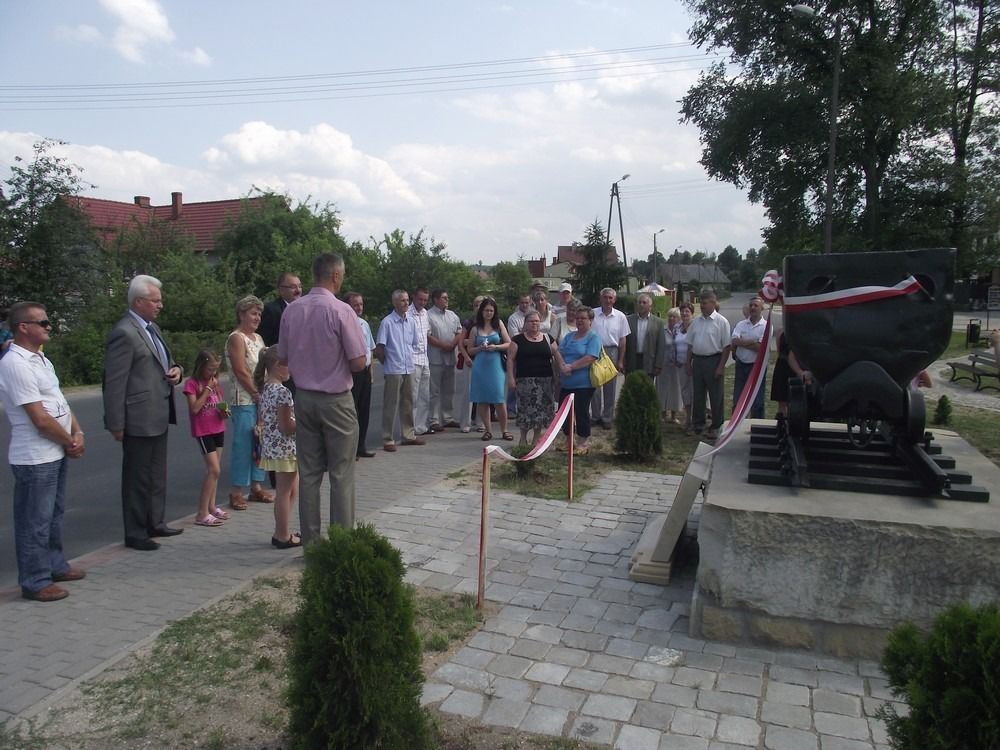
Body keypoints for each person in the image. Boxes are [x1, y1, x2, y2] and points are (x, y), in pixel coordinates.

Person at [277, 252, 367, 544]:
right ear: (336, 276)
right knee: (341, 473)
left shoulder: (292, 310)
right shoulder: (342, 311)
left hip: (303, 397)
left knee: (309, 473)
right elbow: (358, 362)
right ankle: (340, 543)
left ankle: (311, 544)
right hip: (336, 399)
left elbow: (283, 357)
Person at [0, 302, 86, 601]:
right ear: (23, 327)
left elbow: (59, 401)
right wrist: (68, 441)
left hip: (55, 451)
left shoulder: (41, 359)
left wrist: (77, 432)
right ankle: (35, 580)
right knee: (34, 521)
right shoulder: (15, 364)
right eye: (43, 322)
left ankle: (54, 565)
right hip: (35, 456)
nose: (49, 327)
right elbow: (39, 418)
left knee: (53, 515)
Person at [104, 274, 184, 552]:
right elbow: (114, 382)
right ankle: (136, 531)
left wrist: (177, 371)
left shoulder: (153, 328)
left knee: (156, 473)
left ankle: (155, 521)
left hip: (158, 412)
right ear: (138, 302)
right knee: (137, 477)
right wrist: (115, 422)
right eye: (155, 301)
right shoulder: (124, 333)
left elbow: (168, 361)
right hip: (137, 416)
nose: (160, 305)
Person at [225, 295, 273, 511]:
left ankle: (256, 486)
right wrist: (255, 393)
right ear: (242, 314)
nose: (257, 318)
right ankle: (236, 491)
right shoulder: (236, 338)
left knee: (260, 442)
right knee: (243, 444)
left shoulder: (258, 338)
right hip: (244, 398)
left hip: (261, 397)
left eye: (259, 314)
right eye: (253, 313)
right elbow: (240, 370)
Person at [253, 346, 300, 549]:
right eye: (288, 363)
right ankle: (282, 535)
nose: (291, 368)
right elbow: (286, 426)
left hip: (274, 447)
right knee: (284, 492)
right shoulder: (283, 392)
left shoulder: (266, 389)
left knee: (291, 489)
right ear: (277, 365)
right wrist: (305, 421)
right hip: (285, 448)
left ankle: (282, 529)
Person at [182, 349, 230, 528]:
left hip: (218, 427)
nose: (213, 373)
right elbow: (194, 408)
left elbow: (219, 402)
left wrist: (224, 411)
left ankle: (211, 506)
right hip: (204, 430)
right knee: (213, 470)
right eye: (210, 369)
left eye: (215, 369)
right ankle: (201, 513)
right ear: (201, 366)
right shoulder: (192, 384)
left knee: (215, 471)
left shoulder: (215, 382)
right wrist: (207, 390)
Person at [376, 290, 425, 452]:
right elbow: (380, 348)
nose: (406, 303)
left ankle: (408, 435)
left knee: (408, 403)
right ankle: (387, 438)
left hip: (409, 366)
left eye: (407, 300)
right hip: (393, 369)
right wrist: (387, 363)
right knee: (391, 404)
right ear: (395, 302)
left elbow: (414, 343)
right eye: (402, 300)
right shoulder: (387, 322)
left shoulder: (411, 321)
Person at [555, 307, 602, 455]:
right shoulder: (569, 336)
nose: (580, 321)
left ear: (590, 321)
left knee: (581, 412)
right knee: (565, 413)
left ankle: (583, 443)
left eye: (583, 318)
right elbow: (558, 352)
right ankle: (569, 440)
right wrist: (562, 365)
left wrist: (571, 367)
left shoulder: (593, 337)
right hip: (566, 383)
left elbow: (590, 357)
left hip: (583, 384)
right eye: (578, 318)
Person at [507, 310, 558, 445]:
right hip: (525, 381)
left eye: (537, 321)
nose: (534, 323)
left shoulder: (548, 338)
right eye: (531, 321)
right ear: (525, 323)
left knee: (541, 411)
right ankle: (523, 438)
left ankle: (536, 438)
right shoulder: (517, 340)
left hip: (545, 381)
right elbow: (510, 359)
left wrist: (562, 370)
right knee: (525, 410)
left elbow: (557, 355)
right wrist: (510, 378)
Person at [686, 290, 731, 439]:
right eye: (701, 303)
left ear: (713, 303)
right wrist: (688, 363)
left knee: (715, 395)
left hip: (714, 360)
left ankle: (716, 426)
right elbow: (690, 344)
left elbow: (726, 347)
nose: (702, 306)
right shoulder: (696, 322)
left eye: (704, 303)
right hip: (698, 361)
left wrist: (721, 367)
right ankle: (698, 424)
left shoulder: (721, 322)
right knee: (698, 394)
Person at [467, 297, 512, 441]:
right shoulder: (475, 329)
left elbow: (509, 343)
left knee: (499, 398)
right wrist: (480, 348)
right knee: (482, 399)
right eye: (486, 310)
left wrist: (496, 347)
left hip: (495, 365)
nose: (489, 313)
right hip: (480, 366)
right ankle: (488, 430)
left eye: (491, 311)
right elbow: (470, 350)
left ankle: (505, 430)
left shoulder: (499, 325)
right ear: (481, 311)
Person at [590, 288, 629, 428]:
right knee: (594, 385)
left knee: (610, 387)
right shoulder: (592, 314)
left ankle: (607, 418)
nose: (608, 300)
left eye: (610, 298)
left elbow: (623, 340)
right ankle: (595, 416)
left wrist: (621, 360)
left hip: (612, 351)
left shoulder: (620, 316)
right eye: (605, 297)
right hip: (595, 350)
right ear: (600, 298)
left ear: (614, 300)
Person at [426, 288, 463, 431]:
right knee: (434, 390)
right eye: (444, 298)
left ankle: (447, 417)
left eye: (447, 297)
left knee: (449, 390)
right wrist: (443, 345)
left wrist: (453, 344)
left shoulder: (452, 315)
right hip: (435, 357)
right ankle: (433, 420)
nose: (447, 300)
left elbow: (459, 332)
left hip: (450, 357)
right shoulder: (428, 315)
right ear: (435, 299)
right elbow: (428, 335)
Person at [345, 292, 377, 458]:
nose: (359, 308)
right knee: (353, 410)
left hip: (365, 370)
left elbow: (370, 349)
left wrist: (371, 371)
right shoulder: (345, 324)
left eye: (361, 304)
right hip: (352, 371)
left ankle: (361, 446)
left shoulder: (364, 324)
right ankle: (350, 448)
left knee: (364, 409)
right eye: (355, 304)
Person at [731, 296, 767, 419]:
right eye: (751, 305)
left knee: (757, 402)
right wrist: (754, 341)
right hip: (741, 365)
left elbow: (760, 348)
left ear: (762, 308)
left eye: (756, 305)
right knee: (738, 400)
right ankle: (737, 425)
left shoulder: (766, 326)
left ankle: (757, 425)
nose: (752, 308)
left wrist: (742, 342)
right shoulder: (741, 324)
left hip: (757, 368)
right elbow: (734, 341)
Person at [456, 295, 485, 433]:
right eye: (476, 305)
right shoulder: (468, 323)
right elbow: (461, 343)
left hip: (485, 361)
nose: (479, 307)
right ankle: (465, 423)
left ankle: (480, 422)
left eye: (481, 304)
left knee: (482, 392)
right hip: (471, 361)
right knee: (468, 392)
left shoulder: (490, 324)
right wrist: (467, 357)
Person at [409, 288, 433, 436]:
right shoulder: (408, 313)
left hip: (425, 359)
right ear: (414, 297)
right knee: (413, 396)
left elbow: (427, 334)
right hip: (413, 359)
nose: (422, 302)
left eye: (425, 300)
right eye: (420, 299)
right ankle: (410, 428)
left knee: (424, 395)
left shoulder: (425, 313)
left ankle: (421, 426)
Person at [624, 293, 664, 379]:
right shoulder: (628, 320)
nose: (641, 305)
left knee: (646, 386)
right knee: (631, 386)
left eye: (644, 303)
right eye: (639, 302)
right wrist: (623, 362)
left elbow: (661, 345)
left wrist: (658, 365)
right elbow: (624, 341)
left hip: (649, 362)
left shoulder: (658, 322)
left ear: (650, 306)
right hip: (632, 361)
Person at [259, 272, 302, 347]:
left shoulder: (305, 310)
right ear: (281, 290)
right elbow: (265, 341)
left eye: (299, 286)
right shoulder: (271, 310)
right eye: (293, 287)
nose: (298, 290)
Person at [657, 307, 684, 424]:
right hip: (664, 363)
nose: (671, 318)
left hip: (677, 365)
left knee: (675, 389)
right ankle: (662, 414)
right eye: (670, 316)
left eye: (674, 317)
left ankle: (674, 415)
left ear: (679, 319)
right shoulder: (662, 330)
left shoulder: (682, 331)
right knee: (662, 389)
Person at [672, 303, 695, 427]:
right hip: (680, 365)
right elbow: (674, 344)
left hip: (693, 365)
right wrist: (675, 358)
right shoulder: (677, 327)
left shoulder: (696, 326)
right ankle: (688, 417)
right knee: (685, 391)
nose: (684, 314)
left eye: (687, 311)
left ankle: (696, 418)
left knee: (695, 391)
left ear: (692, 313)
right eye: (682, 311)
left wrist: (689, 363)